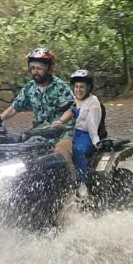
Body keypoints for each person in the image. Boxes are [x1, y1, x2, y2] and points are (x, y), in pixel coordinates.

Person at [0, 48, 75, 162]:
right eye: (32, 67)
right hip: (39, 134)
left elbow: (72, 110)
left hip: (63, 133)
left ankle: (72, 179)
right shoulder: (29, 88)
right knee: (19, 154)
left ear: (49, 68)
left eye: (40, 68)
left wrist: (60, 122)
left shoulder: (60, 87)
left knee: (62, 153)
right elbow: (15, 107)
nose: (35, 71)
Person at [53, 69, 102, 198]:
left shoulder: (93, 102)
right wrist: (60, 121)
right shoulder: (77, 100)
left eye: (82, 87)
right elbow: (72, 112)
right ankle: (63, 181)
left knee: (78, 149)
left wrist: (95, 139)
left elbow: (92, 124)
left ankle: (82, 184)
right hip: (76, 133)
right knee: (58, 148)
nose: (78, 90)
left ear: (89, 87)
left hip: (88, 134)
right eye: (76, 87)